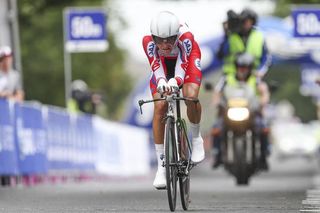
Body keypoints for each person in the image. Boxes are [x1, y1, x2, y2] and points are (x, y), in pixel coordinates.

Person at [142, 11, 205, 189]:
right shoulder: (148, 42)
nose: (164, 44)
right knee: (160, 106)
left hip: (187, 60)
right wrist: (162, 81)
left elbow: (182, 66)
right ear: (153, 37)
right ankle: (161, 167)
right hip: (163, 65)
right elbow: (155, 66)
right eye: (159, 40)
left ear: (176, 35)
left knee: (190, 96)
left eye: (170, 39)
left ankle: (196, 138)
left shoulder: (186, 37)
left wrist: (175, 81)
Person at [211, 52, 270, 170]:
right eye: (240, 67)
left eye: (246, 67)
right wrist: (216, 102)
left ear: (250, 68)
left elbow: (264, 92)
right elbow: (217, 92)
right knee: (216, 128)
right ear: (236, 67)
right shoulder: (227, 78)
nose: (243, 70)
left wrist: (263, 101)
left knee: (263, 127)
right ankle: (217, 154)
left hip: (251, 112)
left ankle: (263, 156)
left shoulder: (256, 79)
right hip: (229, 112)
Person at [216, 8, 272, 79]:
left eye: (249, 21)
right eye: (244, 21)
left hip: (253, 75)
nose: (247, 24)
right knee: (218, 90)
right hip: (232, 75)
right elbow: (220, 54)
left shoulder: (259, 36)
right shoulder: (231, 35)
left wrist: (261, 71)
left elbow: (267, 57)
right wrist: (226, 34)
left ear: (253, 22)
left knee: (263, 89)